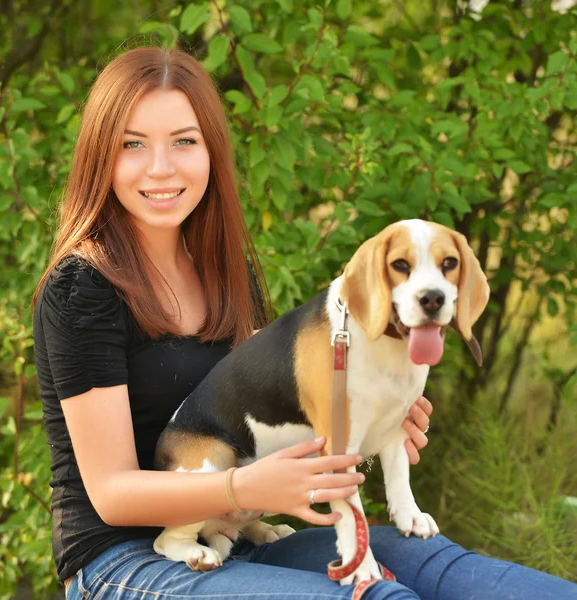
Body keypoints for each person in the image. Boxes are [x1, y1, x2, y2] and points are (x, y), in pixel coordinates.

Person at [32, 46, 577, 600]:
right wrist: (242, 486)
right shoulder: (83, 288)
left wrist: (375, 418)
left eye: (184, 141)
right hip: (120, 559)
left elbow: (283, 413)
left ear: (212, 151)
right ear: (100, 155)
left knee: (435, 565)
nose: (160, 167)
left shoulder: (223, 267)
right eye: (132, 144)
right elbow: (110, 493)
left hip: (242, 531)